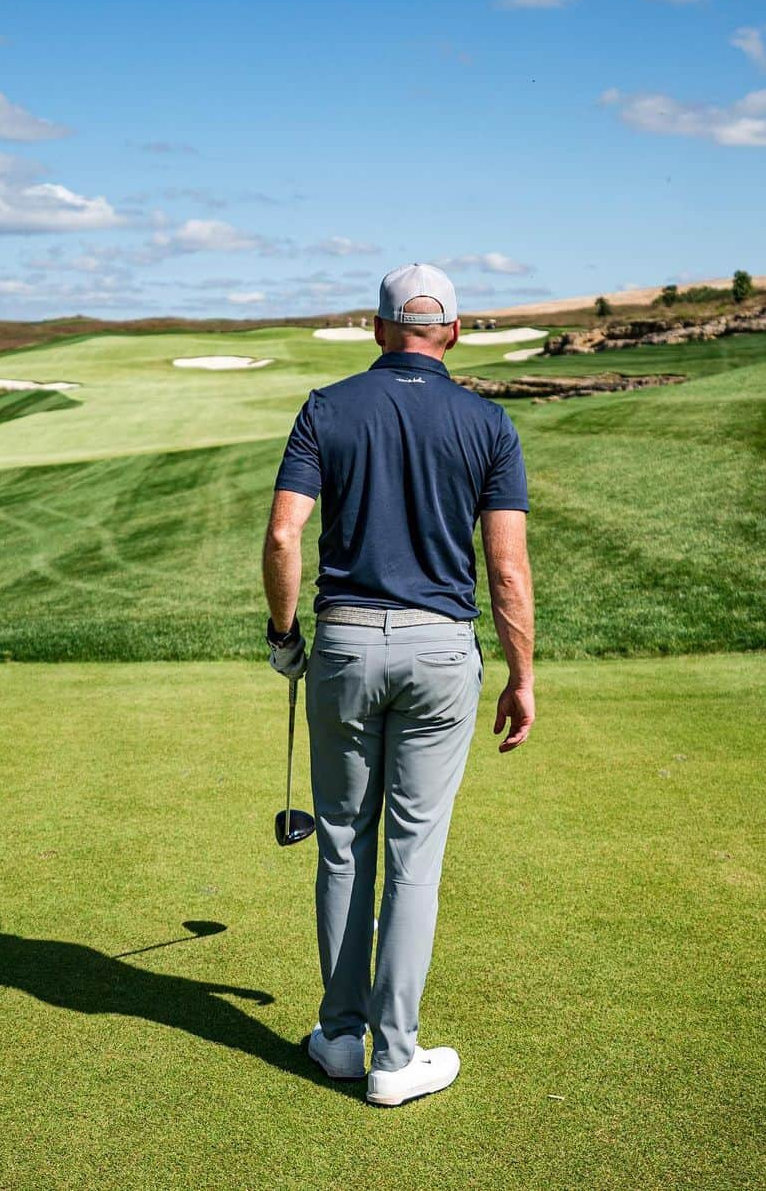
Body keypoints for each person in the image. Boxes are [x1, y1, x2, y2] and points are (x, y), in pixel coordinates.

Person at [261, 262, 535, 1107]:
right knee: (413, 859)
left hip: (343, 645)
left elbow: (282, 538)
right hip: (441, 654)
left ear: (378, 330)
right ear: (453, 330)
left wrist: (283, 636)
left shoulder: (326, 408)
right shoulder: (488, 423)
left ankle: (341, 1038)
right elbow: (507, 569)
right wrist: (522, 674)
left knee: (343, 842)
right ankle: (394, 1057)